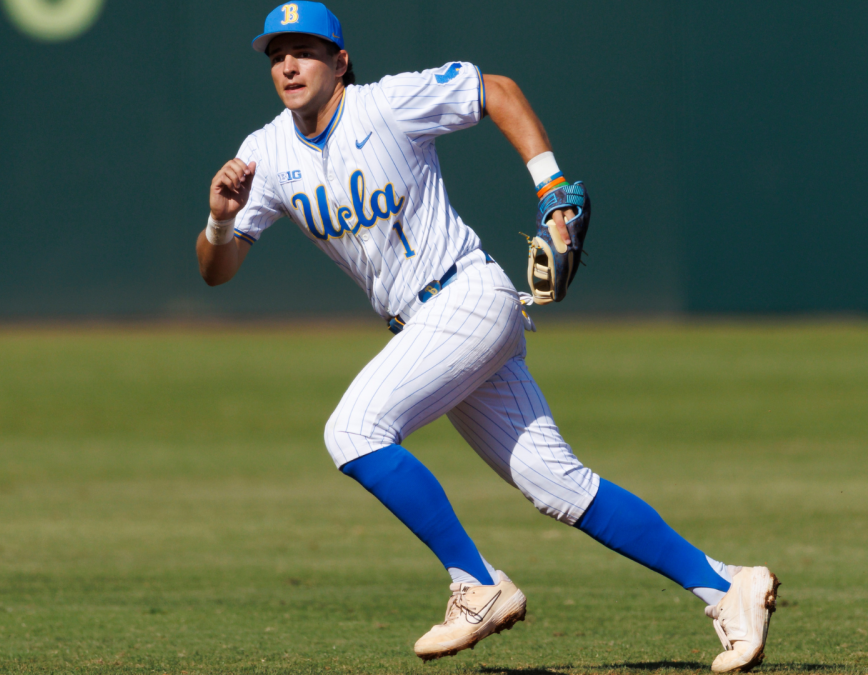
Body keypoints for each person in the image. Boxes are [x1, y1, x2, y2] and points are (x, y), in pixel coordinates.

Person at [195, 2, 779, 671]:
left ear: (341, 61)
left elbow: (496, 91)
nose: (289, 64)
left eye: (305, 50)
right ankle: (728, 585)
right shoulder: (263, 154)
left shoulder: (385, 105)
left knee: (353, 430)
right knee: (557, 484)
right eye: (276, 53)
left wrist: (552, 187)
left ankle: (475, 583)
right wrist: (218, 222)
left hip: (466, 295)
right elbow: (218, 270)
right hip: (431, 327)